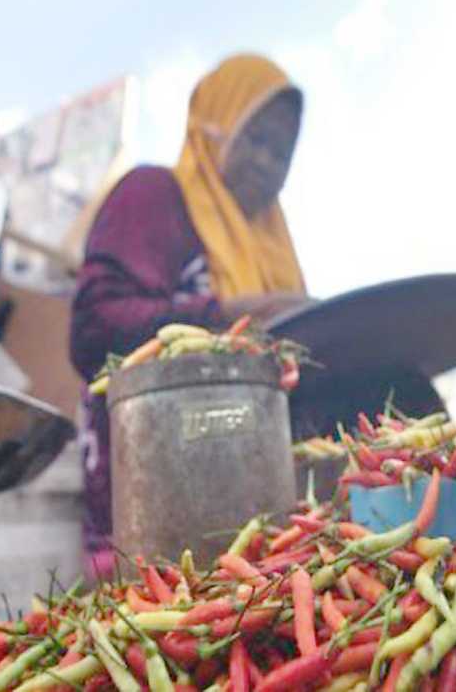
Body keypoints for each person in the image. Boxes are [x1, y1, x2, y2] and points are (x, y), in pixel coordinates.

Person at [69, 53, 312, 562]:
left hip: (258, 514)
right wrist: (226, 315)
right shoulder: (156, 194)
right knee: (152, 620)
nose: (268, 163)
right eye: (257, 139)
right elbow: (94, 323)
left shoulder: (274, 247)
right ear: (216, 125)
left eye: (283, 153)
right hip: (150, 497)